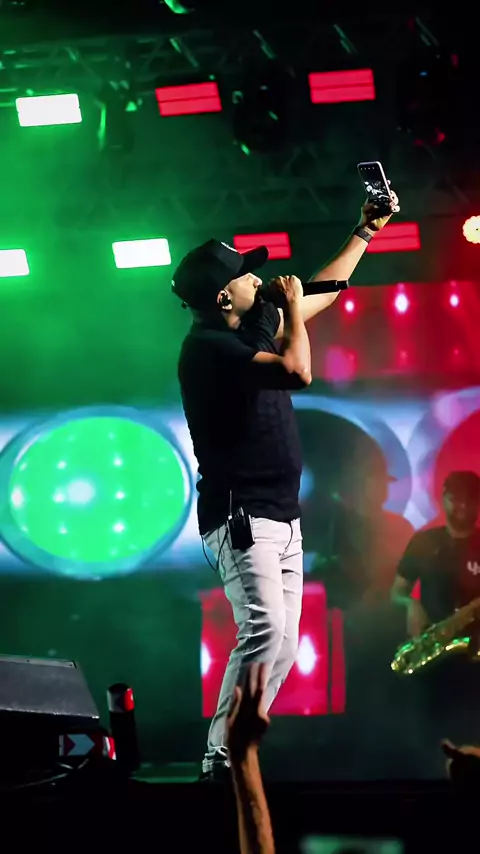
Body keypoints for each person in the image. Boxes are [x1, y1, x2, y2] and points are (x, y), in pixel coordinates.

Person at [173, 191, 399, 780]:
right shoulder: (207, 350)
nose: (258, 278)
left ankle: (238, 747)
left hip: (281, 513)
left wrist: (365, 232)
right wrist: (292, 310)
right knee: (264, 628)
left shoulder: (250, 325)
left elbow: (326, 288)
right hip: (241, 515)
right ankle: (221, 755)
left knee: (285, 643)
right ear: (223, 296)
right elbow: (298, 371)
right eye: (245, 274)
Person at [391, 470, 480, 775]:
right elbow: (397, 592)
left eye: (469, 500)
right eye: (455, 499)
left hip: (475, 662)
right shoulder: (424, 542)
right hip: (433, 659)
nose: (462, 507)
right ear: (443, 499)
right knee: (430, 740)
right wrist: (411, 604)